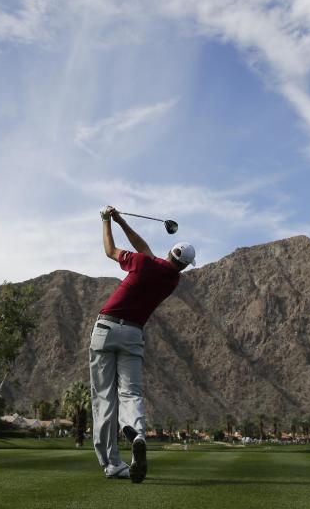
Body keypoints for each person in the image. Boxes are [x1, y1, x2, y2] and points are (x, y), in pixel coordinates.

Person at [90, 206, 195, 483]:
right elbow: (144, 249)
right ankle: (136, 433)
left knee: (104, 398)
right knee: (130, 393)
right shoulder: (172, 278)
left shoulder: (144, 263)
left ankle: (112, 464)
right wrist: (121, 220)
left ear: (170, 252)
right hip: (134, 334)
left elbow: (111, 251)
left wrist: (106, 221)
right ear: (184, 264)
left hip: (106, 328)